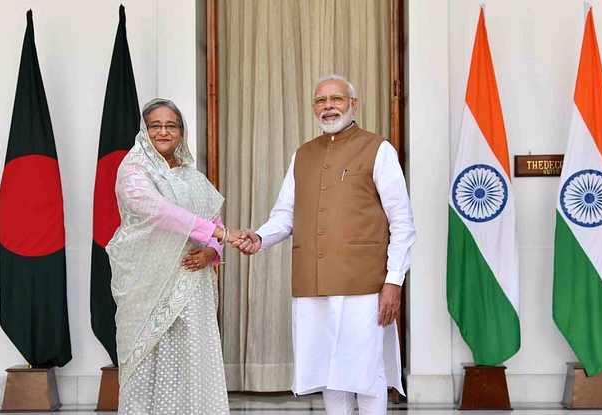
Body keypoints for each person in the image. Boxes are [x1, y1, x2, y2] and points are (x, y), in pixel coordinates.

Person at [234, 75, 416, 415]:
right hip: (313, 280)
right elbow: (285, 215)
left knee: (365, 369)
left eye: (337, 99)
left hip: (364, 282)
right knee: (328, 369)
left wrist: (393, 281)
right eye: (321, 100)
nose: (328, 106)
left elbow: (402, 222)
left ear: (353, 104)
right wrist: (260, 237)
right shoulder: (302, 155)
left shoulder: (379, 149)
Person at [107, 98, 239, 414]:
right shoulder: (134, 170)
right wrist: (221, 235)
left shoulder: (193, 177)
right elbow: (160, 212)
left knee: (193, 358)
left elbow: (215, 221)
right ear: (144, 129)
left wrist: (212, 249)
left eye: (172, 125)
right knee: (149, 361)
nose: (164, 131)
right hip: (147, 286)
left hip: (192, 285)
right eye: (156, 125)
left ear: (181, 132)